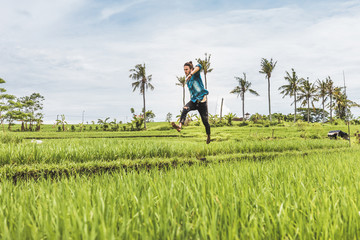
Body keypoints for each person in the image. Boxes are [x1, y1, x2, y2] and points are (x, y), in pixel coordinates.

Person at [172, 61, 211, 144]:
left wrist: (191, 74)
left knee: (205, 122)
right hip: (194, 101)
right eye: (184, 70)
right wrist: (188, 76)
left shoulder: (195, 75)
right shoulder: (187, 81)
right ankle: (179, 126)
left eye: (187, 69)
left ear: (191, 69)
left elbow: (199, 66)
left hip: (202, 102)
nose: (185, 71)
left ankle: (208, 136)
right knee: (185, 108)